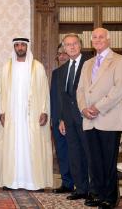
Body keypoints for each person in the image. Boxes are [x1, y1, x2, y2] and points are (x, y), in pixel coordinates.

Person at [77, 28, 122, 208]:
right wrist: (83, 108)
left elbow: (119, 90)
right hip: (89, 119)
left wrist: (97, 107)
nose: (97, 40)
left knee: (108, 161)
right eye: (95, 37)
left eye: (101, 37)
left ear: (108, 40)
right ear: (91, 41)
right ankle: (98, 193)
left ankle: (110, 197)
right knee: (95, 161)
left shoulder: (120, 61)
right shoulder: (87, 63)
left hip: (108, 118)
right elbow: (81, 90)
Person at [0, 38, 53, 191]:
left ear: (27, 47)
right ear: (13, 47)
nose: (20, 47)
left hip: (31, 116)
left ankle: (34, 182)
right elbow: (1, 92)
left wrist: (44, 111)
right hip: (12, 116)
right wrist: (1, 111)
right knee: (13, 146)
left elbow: (44, 92)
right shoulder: (7, 67)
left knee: (31, 146)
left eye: (22, 45)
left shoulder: (38, 67)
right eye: (17, 45)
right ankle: (11, 181)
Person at [57, 34, 92, 200]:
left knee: (89, 155)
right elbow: (64, 97)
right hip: (70, 120)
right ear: (64, 48)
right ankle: (81, 189)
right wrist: (63, 119)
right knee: (75, 155)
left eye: (75, 44)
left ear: (81, 45)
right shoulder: (63, 69)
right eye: (68, 45)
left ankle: (94, 190)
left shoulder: (90, 64)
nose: (71, 47)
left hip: (86, 118)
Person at [50, 43, 74, 194]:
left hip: (74, 121)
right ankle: (67, 183)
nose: (63, 56)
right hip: (58, 122)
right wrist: (55, 119)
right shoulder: (56, 73)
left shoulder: (79, 71)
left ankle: (82, 185)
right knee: (62, 153)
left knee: (77, 154)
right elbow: (54, 98)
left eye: (65, 52)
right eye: (60, 53)